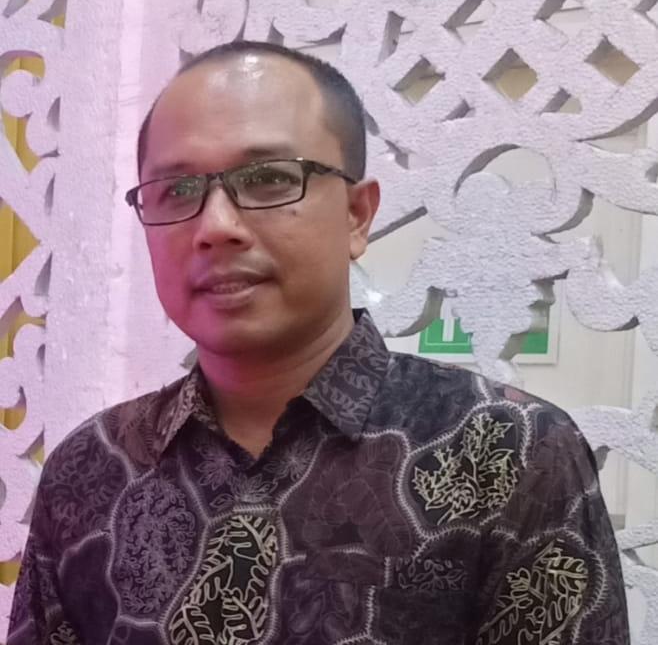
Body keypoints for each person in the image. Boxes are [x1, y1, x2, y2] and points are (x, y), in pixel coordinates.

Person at [8, 40, 629, 645]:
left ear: (358, 214)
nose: (216, 226)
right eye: (177, 190)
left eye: (268, 178)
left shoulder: (511, 452)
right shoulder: (89, 466)